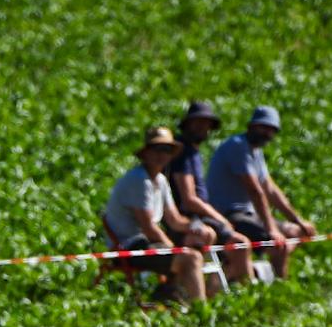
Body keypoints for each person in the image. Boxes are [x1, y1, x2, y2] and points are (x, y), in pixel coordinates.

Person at [204, 105, 316, 279]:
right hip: (230, 213)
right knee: (280, 244)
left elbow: (270, 190)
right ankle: (276, 283)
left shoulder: (256, 151)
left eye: (271, 130)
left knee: (296, 233)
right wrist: (272, 229)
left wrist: (298, 221)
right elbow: (255, 190)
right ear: (252, 125)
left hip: (250, 213)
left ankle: (260, 271)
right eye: (263, 127)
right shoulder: (237, 146)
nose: (266, 133)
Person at [102, 126, 206, 304]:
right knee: (191, 259)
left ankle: (169, 293)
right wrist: (174, 248)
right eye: (156, 149)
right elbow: (148, 227)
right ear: (146, 153)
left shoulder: (160, 180)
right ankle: (199, 311)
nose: (161, 154)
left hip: (147, 244)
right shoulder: (138, 180)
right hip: (129, 248)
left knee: (194, 244)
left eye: (166, 150)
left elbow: (174, 220)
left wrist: (196, 228)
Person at [166, 100, 252, 284]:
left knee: (238, 245)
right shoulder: (184, 153)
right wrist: (220, 219)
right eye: (198, 122)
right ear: (187, 124)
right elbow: (189, 199)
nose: (202, 128)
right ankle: (244, 293)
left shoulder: (193, 153)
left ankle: (227, 289)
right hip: (189, 219)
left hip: (200, 217)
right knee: (239, 244)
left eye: (206, 123)